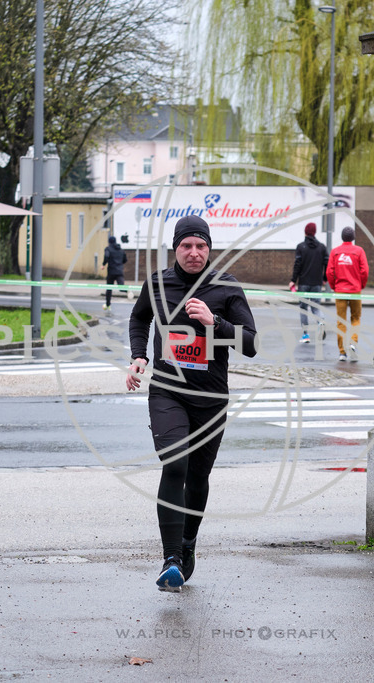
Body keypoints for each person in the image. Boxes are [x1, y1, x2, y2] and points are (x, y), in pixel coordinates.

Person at [126, 215, 257, 592]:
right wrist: (139, 355)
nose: (194, 252)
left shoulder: (226, 287)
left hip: (210, 399)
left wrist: (215, 322)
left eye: (201, 246)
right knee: (175, 463)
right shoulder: (158, 284)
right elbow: (139, 318)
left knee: (198, 477)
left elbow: (250, 343)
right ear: (176, 249)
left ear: (209, 249)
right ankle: (170, 559)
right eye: (187, 245)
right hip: (168, 391)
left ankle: (187, 544)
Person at [326, 226, 369, 362]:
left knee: (341, 321)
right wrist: (361, 285)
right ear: (353, 237)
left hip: (340, 290)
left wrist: (334, 286)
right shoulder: (359, 251)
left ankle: (342, 352)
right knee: (355, 318)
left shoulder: (335, 252)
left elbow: (329, 272)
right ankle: (353, 343)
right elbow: (365, 271)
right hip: (355, 290)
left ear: (342, 237)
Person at [288, 222, 328, 343]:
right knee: (315, 307)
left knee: (303, 308)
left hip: (303, 283)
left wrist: (293, 280)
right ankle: (320, 322)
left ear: (305, 232)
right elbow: (327, 263)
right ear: (315, 232)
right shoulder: (322, 247)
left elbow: (297, 265)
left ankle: (305, 335)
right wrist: (324, 278)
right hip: (317, 283)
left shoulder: (301, 247)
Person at [102, 235, 128, 311]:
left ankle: (108, 305)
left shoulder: (108, 249)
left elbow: (106, 257)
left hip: (111, 271)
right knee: (121, 287)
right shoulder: (121, 250)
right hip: (119, 271)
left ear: (109, 242)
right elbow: (125, 260)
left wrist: (103, 264)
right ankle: (128, 291)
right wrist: (119, 264)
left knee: (109, 289)